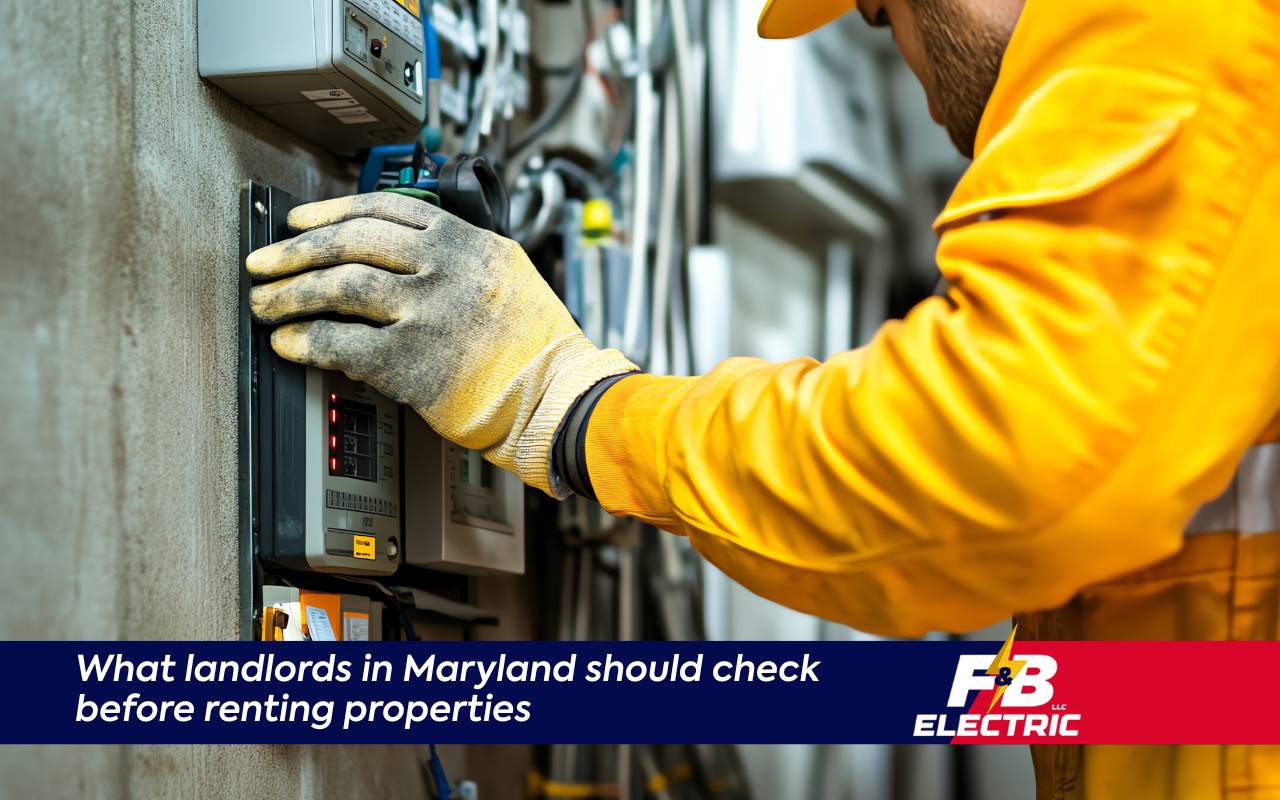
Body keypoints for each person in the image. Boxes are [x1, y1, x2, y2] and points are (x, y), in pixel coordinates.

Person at [245, 0, 1280, 794]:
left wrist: (568, 405)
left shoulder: (1190, 33)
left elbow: (1006, 458)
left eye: (883, 13)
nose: (909, 72)